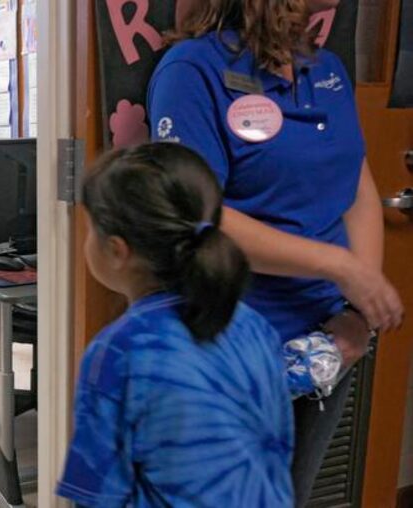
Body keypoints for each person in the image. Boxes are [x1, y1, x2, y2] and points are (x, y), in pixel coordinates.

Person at [147, 1, 404, 505]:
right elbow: (202, 218)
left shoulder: (325, 67)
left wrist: (357, 312)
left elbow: (356, 184)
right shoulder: (193, 71)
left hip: (328, 345)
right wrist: (341, 267)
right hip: (232, 350)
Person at [57, 143, 294, 507]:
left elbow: (99, 494)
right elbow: (278, 446)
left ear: (118, 251)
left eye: (91, 229)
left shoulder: (118, 353)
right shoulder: (254, 326)